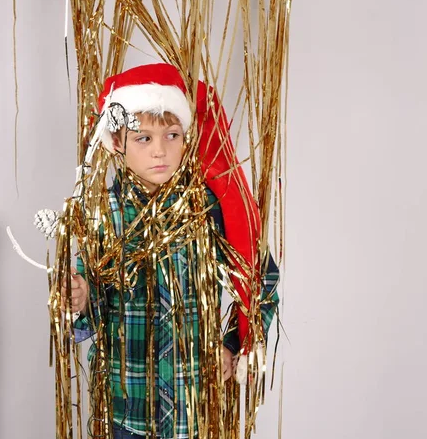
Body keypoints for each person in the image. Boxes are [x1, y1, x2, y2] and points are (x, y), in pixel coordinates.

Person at [62, 63, 280, 439]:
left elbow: (263, 278)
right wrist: (80, 297)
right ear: (117, 142)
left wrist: (233, 342)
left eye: (172, 135)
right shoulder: (103, 214)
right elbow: (95, 301)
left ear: (186, 138)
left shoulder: (209, 209)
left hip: (193, 409)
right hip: (127, 409)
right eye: (143, 138)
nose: (160, 150)